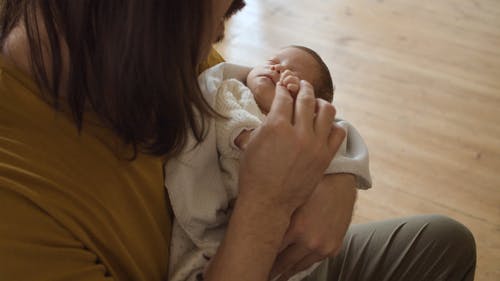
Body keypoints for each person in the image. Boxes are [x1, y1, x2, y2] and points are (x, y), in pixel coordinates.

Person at [0, 1, 476, 281]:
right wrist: (268, 205)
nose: (220, 31)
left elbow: (260, 96)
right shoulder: (16, 206)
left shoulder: (134, 52)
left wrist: (339, 177)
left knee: (444, 242)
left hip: (260, 253)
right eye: (218, 13)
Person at [167, 45, 372, 281]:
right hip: (223, 227)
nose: (276, 67)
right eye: (273, 60)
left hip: (287, 241)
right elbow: (226, 115)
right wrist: (248, 137)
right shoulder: (235, 90)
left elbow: (335, 140)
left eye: (291, 74)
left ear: (306, 104)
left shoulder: (302, 126)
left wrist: (339, 176)